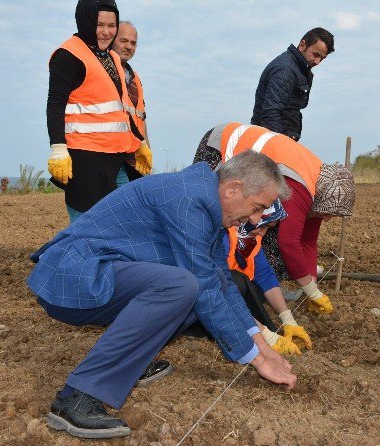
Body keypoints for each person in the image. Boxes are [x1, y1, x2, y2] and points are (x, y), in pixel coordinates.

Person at [27, 150, 297, 439]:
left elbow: (222, 284)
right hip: (75, 275)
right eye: (257, 207)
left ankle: (131, 364)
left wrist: (265, 350)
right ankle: (76, 398)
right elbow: (202, 286)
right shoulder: (189, 199)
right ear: (234, 188)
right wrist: (256, 359)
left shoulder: (209, 206)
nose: (255, 219)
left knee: (195, 288)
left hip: (102, 272)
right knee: (183, 286)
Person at [193, 122, 355, 316]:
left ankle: (258, 286)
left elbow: (308, 242)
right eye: (329, 213)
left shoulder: (317, 189)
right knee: (210, 215)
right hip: (221, 143)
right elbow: (289, 243)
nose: (328, 219)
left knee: (259, 243)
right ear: (323, 199)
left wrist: (311, 289)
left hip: (249, 160)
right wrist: (311, 291)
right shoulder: (300, 188)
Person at [46, 0, 149, 223]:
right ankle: (68, 257)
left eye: (112, 26)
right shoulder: (68, 55)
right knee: (86, 227)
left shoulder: (110, 58)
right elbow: (55, 104)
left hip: (115, 159)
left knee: (124, 219)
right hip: (84, 159)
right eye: (99, 25)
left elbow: (121, 109)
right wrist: (58, 149)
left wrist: (139, 143)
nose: (106, 32)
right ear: (85, 21)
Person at [224, 199, 312, 355]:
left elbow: (265, 275)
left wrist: (288, 320)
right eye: (263, 226)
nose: (263, 233)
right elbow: (220, 291)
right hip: (216, 299)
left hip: (232, 295)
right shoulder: (223, 236)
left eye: (268, 228)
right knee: (238, 281)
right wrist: (265, 336)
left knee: (253, 288)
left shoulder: (250, 240)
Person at [251, 28, 334, 141]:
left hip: (281, 138)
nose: (317, 62)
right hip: (271, 142)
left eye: (322, 58)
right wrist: (282, 147)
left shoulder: (298, 69)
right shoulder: (286, 70)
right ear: (302, 45)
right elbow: (270, 114)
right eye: (316, 55)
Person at [112, 20, 153, 187]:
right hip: (112, 156)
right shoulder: (104, 71)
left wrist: (147, 150)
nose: (129, 46)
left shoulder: (135, 78)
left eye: (133, 43)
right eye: (123, 41)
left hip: (134, 158)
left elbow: (141, 118)